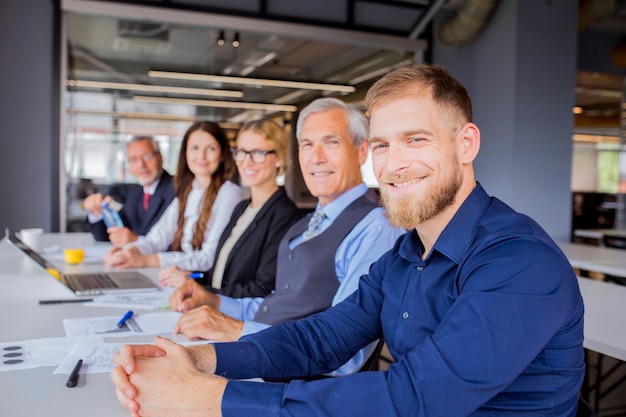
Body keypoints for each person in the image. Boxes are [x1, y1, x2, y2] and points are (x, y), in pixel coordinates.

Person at [111, 64, 585, 417]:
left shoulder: (519, 260)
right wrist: (201, 357)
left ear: (466, 144)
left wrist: (213, 398)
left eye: (416, 140)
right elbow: (319, 338)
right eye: (381, 146)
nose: (393, 164)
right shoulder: (405, 254)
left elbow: (419, 396)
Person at [161, 98, 403, 367]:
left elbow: (345, 351)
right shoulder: (307, 223)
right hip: (266, 354)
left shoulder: (375, 228)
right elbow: (274, 306)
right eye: (307, 145)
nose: (316, 157)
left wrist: (237, 330)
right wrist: (216, 302)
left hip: (298, 384)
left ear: (361, 151)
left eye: (331, 142)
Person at [158, 118, 302, 298]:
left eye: (258, 153)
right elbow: (222, 275)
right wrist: (191, 278)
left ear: (279, 158)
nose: (246, 162)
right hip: (214, 309)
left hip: (234, 319)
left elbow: (262, 289)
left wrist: (202, 291)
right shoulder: (242, 208)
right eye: (241, 152)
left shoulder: (285, 215)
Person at [104, 121, 243, 271]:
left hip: (204, 284)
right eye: (194, 148)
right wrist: (128, 252)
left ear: (222, 154)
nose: (201, 156)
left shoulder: (229, 193)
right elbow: (157, 239)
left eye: (211, 148)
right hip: (179, 277)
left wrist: (147, 260)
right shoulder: (188, 191)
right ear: (186, 153)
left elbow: (208, 258)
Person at [83, 136, 175, 247]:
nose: (141, 165)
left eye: (147, 157)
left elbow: (188, 245)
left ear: (160, 158)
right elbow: (108, 237)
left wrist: (138, 241)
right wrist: (97, 213)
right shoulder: (134, 193)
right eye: (134, 160)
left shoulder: (179, 190)